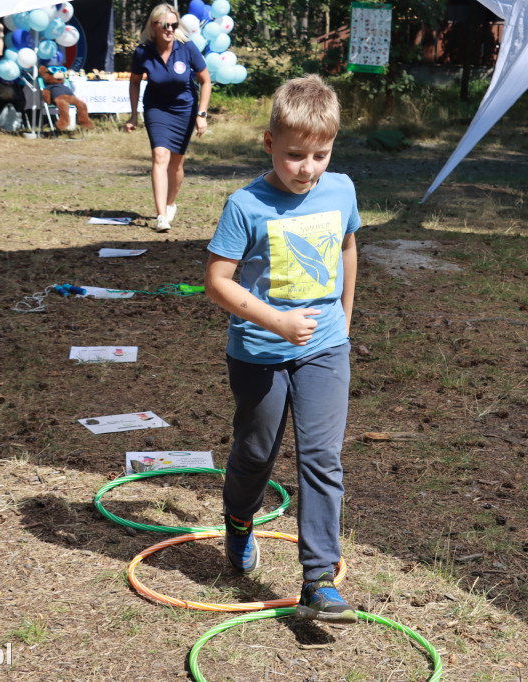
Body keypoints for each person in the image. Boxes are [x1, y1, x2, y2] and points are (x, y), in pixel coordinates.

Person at [204, 75, 360, 623]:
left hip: (325, 350)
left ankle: (319, 580)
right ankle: (240, 518)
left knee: (322, 457)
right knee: (256, 452)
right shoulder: (245, 204)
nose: (308, 168)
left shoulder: (341, 189)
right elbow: (218, 281)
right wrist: (275, 320)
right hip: (257, 352)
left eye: (320, 154)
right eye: (295, 155)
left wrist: (343, 314)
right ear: (269, 143)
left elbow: (346, 244)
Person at [125, 4, 212, 233]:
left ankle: (171, 202)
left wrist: (201, 115)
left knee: (176, 163)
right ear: (154, 26)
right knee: (159, 155)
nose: (171, 29)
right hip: (156, 108)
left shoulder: (187, 48)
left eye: (174, 25)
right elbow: (134, 82)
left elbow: (206, 81)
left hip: (185, 108)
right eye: (166, 25)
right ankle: (161, 215)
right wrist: (134, 115)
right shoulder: (143, 51)